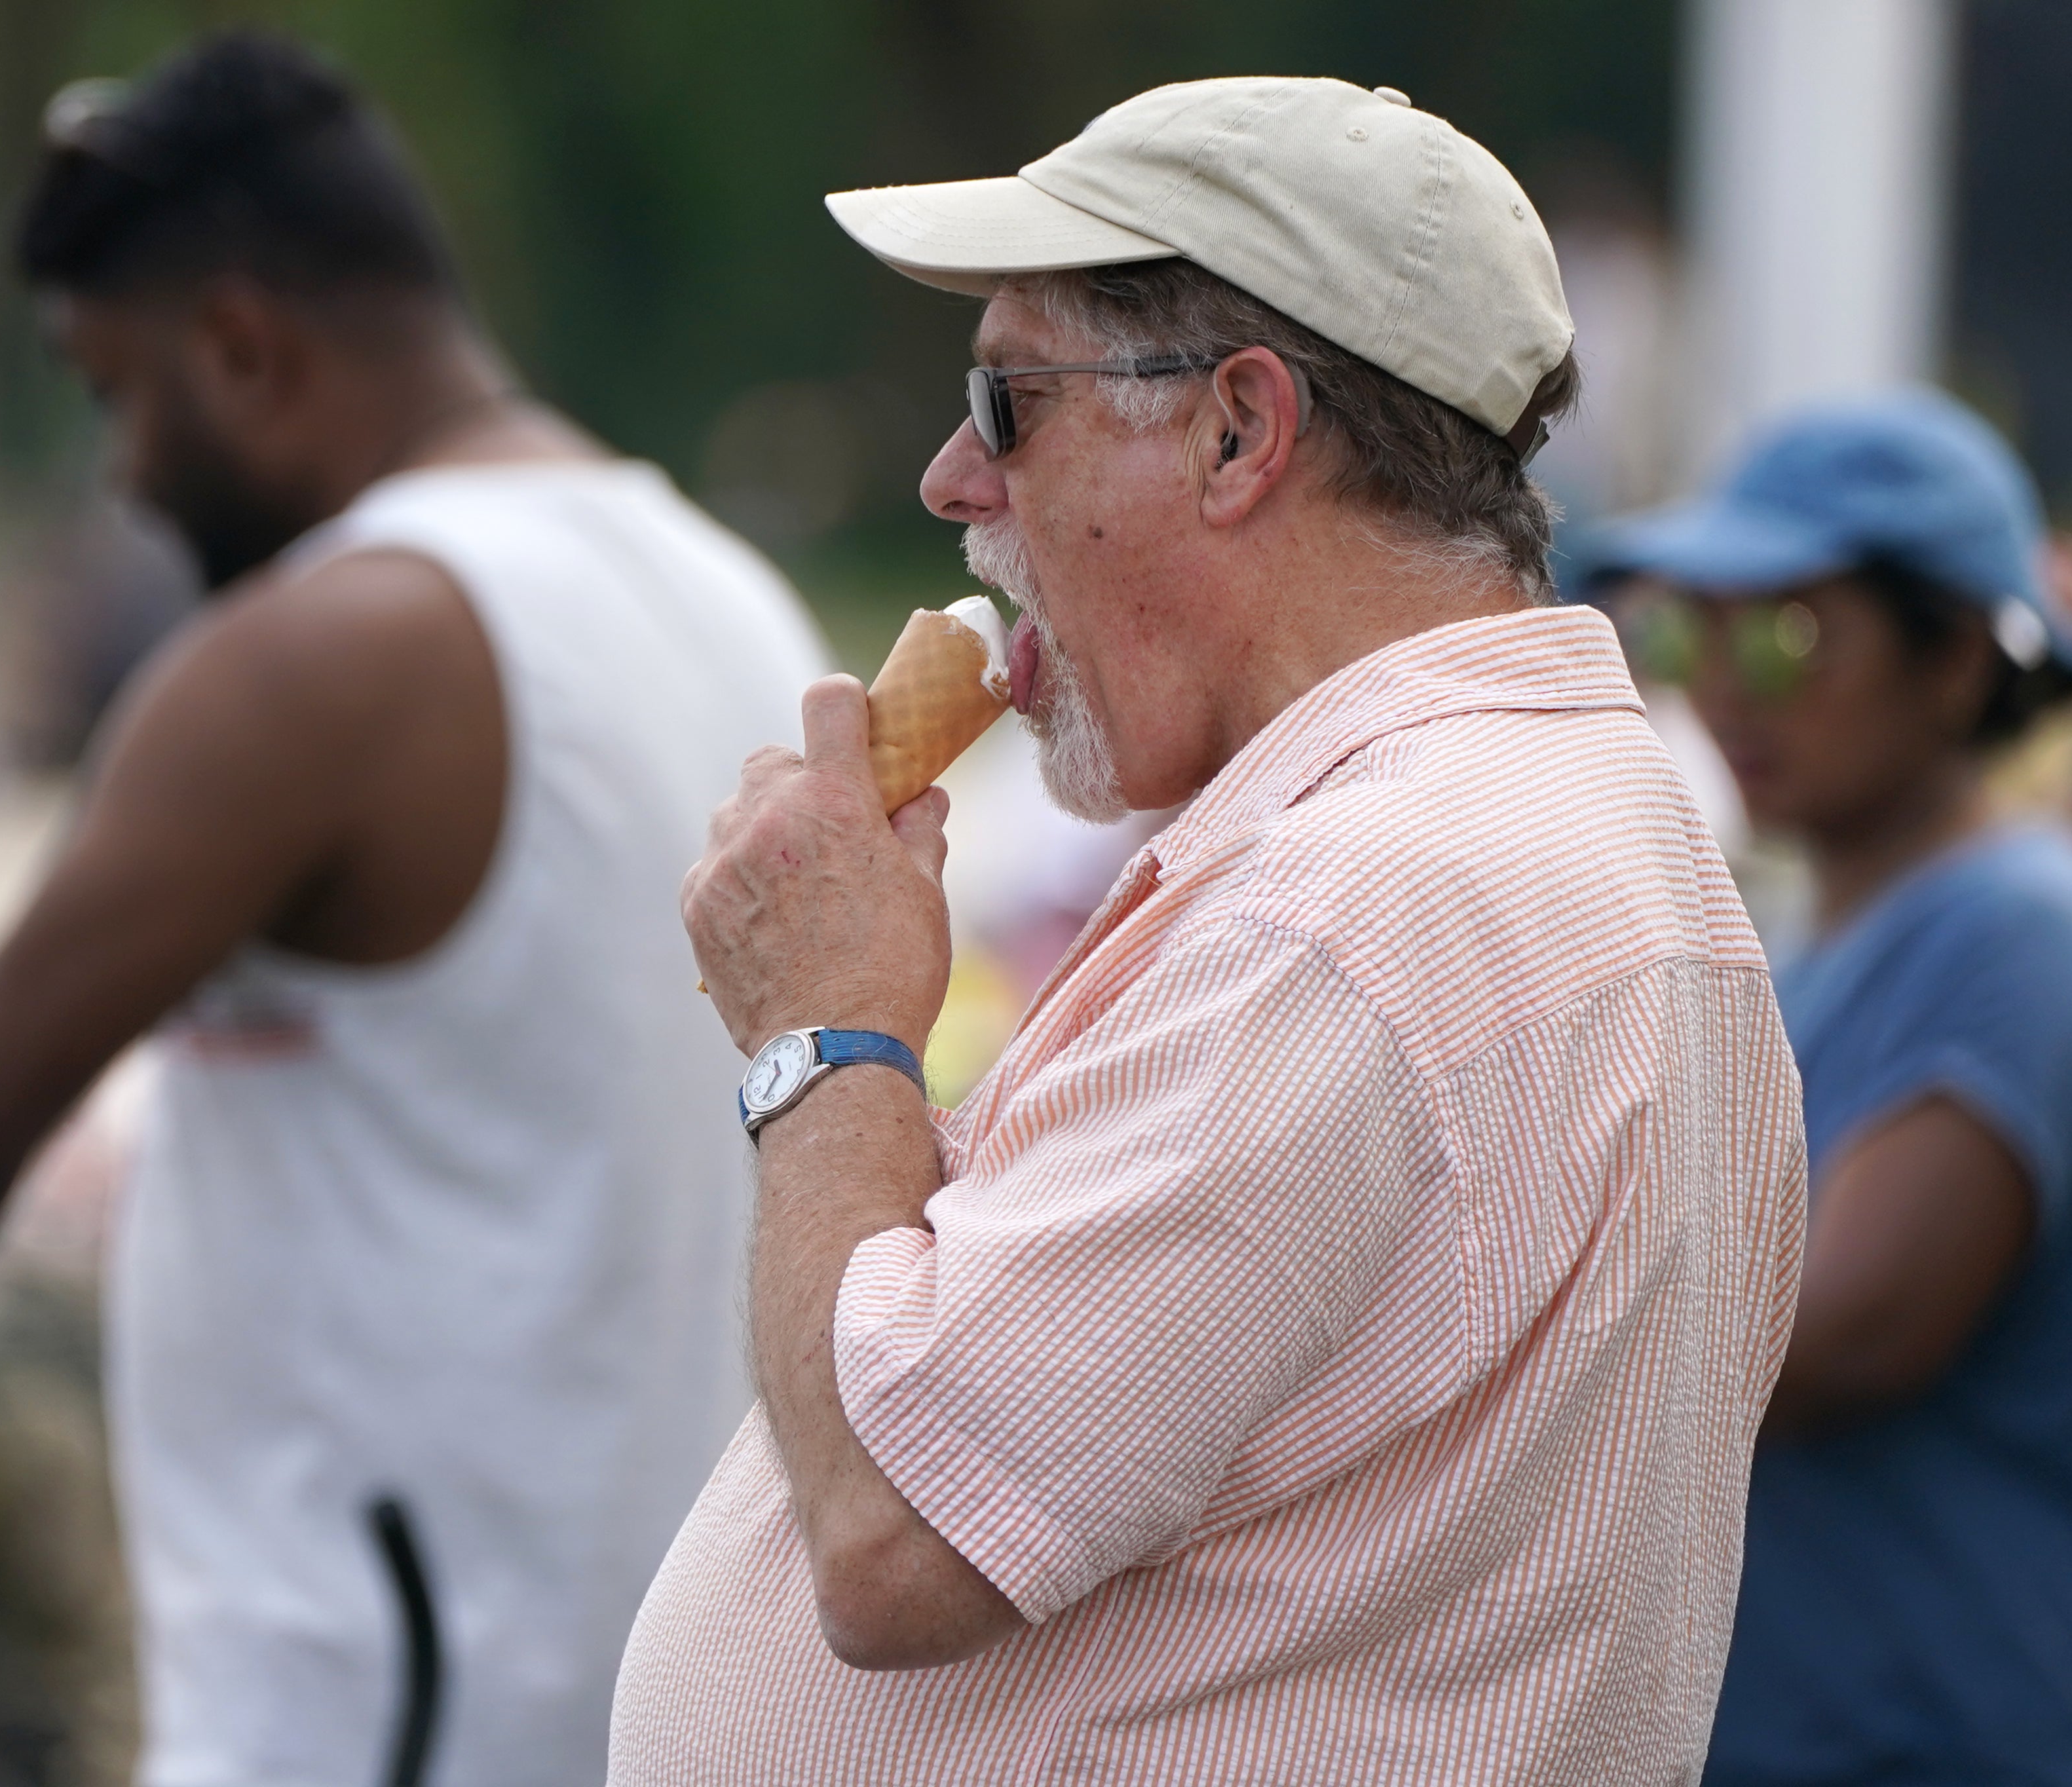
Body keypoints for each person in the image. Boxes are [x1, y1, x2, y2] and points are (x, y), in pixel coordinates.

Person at [0, 31, 827, 1787]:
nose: (118, 475)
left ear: (244, 345)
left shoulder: (325, 654)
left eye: (115, 393)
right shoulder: (725, 591)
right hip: (681, 1691)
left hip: (409, 1709)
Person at [617, 76, 1807, 1784]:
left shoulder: (1367, 902)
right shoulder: (1554, 827)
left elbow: (893, 1534)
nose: (957, 481)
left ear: (1242, 431)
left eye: (1007, 400)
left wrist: (827, 1038)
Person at [1587, 392, 2072, 1784]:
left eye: (1788, 633)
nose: (1722, 686)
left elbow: (1834, 1336)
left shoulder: (2017, 929)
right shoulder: (1826, 942)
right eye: (1688, 629)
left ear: (1954, 657)